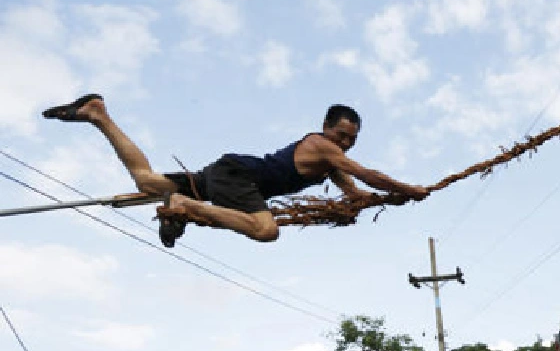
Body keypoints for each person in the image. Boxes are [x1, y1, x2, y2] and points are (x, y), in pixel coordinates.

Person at [42, 94, 428, 247]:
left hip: (224, 174)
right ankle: (184, 206)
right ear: (327, 128)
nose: (345, 144)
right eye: (341, 136)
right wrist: (410, 189)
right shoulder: (320, 145)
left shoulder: (330, 164)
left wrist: (387, 201)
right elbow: (368, 174)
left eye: (351, 140)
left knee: (145, 181)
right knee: (266, 230)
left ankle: (99, 115)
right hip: (239, 177)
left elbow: (358, 192)